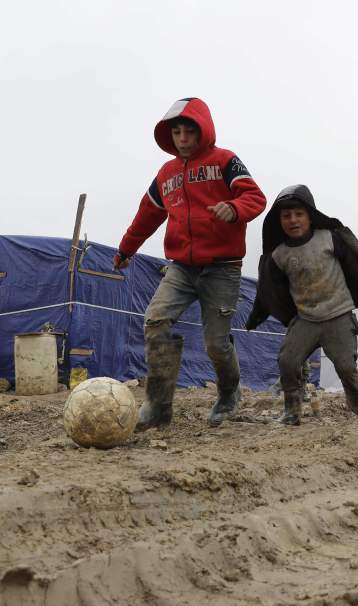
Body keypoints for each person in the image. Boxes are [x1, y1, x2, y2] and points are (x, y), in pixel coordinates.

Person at [112, 97, 267, 430]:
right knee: (155, 320)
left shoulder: (224, 160)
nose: (182, 138)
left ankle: (228, 393)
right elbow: (147, 216)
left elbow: (255, 197)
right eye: (177, 132)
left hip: (223, 267)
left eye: (188, 131)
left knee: (216, 342)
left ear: (203, 131)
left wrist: (235, 208)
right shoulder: (166, 175)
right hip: (181, 267)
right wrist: (126, 250)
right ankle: (157, 406)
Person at [247, 185, 358, 425]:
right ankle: (292, 410)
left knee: (346, 368)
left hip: (339, 315)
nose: (293, 220)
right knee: (287, 362)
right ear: (278, 221)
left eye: (299, 214)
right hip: (306, 318)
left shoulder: (330, 237)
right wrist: (256, 315)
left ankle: (357, 403)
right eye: (286, 215)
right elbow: (268, 290)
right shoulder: (278, 255)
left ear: (310, 215)